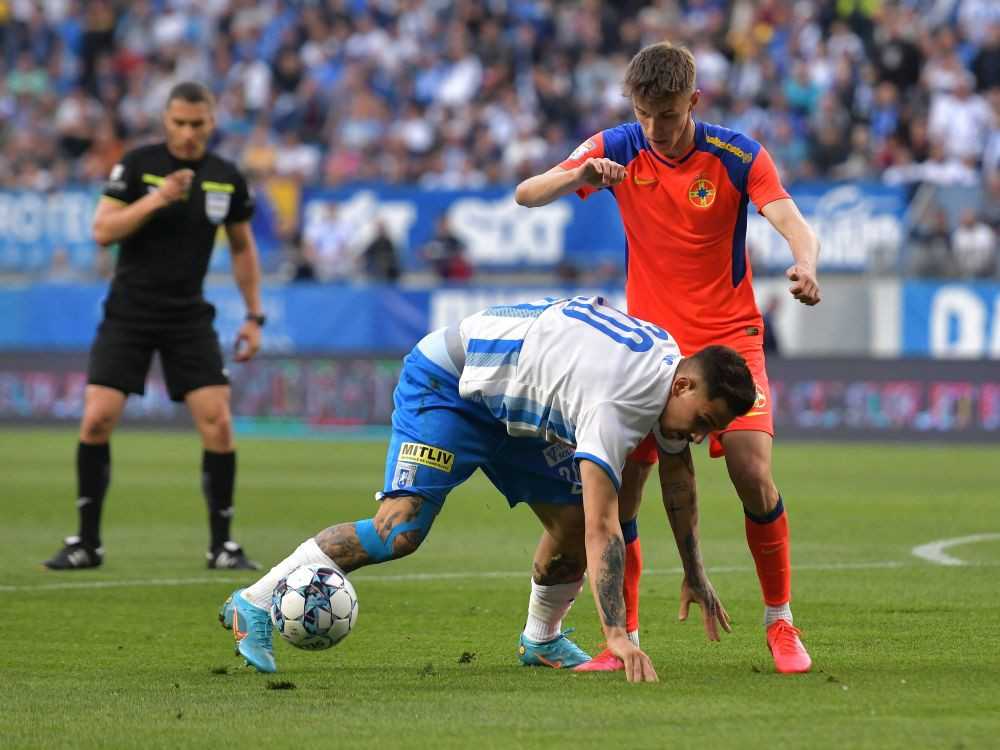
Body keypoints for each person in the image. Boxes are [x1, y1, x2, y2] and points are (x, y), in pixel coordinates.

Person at [219, 295, 756, 681]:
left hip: (514, 410)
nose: (700, 435)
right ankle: (255, 600)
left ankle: (541, 640)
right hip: (452, 385)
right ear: (683, 384)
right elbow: (604, 526)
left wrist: (695, 572)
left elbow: (679, 476)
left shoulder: (669, 363)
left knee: (568, 525)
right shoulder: (616, 403)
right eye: (703, 420)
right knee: (401, 530)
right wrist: (615, 634)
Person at [514, 42, 821, 674]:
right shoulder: (618, 146)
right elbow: (527, 193)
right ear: (634, 106)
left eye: (672, 116)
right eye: (647, 115)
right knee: (623, 496)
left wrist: (805, 263)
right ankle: (618, 636)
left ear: (694, 102)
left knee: (751, 469)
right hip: (650, 351)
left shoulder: (737, 156)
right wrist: (581, 174)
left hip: (729, 337)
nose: (658, 129)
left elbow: (791, 218)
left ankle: (780, 622)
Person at [43, 81, 265, 571]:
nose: (187, 133)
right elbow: (103, 231)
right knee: (97, 417)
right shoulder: (138, 165)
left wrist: (253, 315)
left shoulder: (227, 177)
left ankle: (222, 546)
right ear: (166, 120)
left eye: (197, 123)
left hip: (188, 313)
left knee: (219, 423)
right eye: (179, 123)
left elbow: (243, 247)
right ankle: (86, 543)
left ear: (212, 121)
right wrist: (157, 199)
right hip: (130, 310)